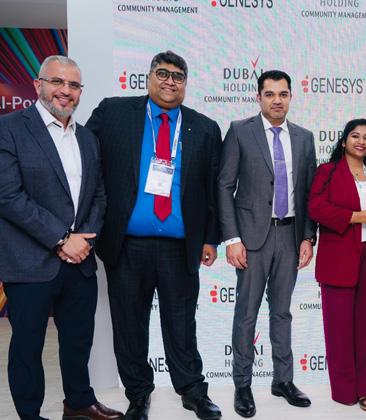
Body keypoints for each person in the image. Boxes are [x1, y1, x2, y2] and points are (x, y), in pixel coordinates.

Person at [85, 51, 222, 420]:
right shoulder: (114, 113)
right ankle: (138, 395)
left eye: (178, 76)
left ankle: (193, 392)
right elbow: (83, 161)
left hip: (180, 248)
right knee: (130, 326)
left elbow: (213, 189)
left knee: (182, 325)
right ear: (148, 76)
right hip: (127, 245)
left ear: (185, 84)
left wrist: (210, 239)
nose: (169, 81)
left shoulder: (205, 128)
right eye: (162, 73)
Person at [0, 55, 123, 420]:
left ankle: (79, 403)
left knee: (78, 340)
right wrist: (61, 238)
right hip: (30, 262)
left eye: (73, 85)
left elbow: (98, 195)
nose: (65, 91)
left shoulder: (87, 137)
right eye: (57, 82)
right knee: (27, 346)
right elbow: (8, 195)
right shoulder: (10, 128)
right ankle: (29, 414)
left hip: (80, 261)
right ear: (38, 85)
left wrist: (84, 241)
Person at [218, 70, 316, 418]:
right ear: (258, 97)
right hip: (251, 238)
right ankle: (242, 385)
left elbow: (309, 192)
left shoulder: (305, 138)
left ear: (290, 97)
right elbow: (224, 185)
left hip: (290, 235)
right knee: (246, 313)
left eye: (283, 94)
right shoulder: (240, 131)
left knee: (282, 312)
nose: (277, 100)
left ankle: (283, 380)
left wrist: (308, 237)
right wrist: (232, 239)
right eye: (270, 94)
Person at [308, 118, 366, 411]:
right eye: (355, 136)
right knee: (339, 329)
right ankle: (345, 390)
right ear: (343, 141)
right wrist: (358, 217)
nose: (361, 141)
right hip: (339, 259)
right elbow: (316, 207)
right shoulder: (328, 172)